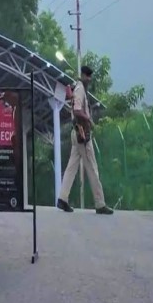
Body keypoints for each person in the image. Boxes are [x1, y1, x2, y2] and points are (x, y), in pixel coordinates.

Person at [56, 65, 114, 215]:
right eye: (87, 76)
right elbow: (77, 110)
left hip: (76, 134)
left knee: (71, 167)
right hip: (83, 134)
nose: (89, 79)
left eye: (90, 76)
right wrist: (89, 119)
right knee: (92, 169)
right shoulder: (80, 89)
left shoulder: (77, 88)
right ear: (83, 76)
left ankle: (62, 198)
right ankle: (100, 203)